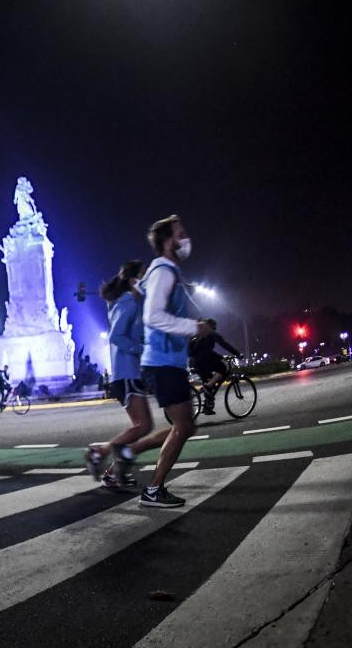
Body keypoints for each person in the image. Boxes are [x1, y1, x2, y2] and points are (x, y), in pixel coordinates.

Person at [111, 215, 210, 509]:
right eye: (182, 233)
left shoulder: (165, 272)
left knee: (186, 426)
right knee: (183, 426)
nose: (186, 238)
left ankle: (130, 453)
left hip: (166, 362)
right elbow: (153, 316)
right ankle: (153, 489)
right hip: (162, 362)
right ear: (169, 241)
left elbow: (152, 305)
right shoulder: (164, 271)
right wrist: (194, 328)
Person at [86, 260, 148, 489]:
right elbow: (116, 337)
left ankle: (110, 472)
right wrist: (142, 349)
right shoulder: (128, 302)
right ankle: (98, 454)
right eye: (143, 277)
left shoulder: (126, 302)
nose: (146, 282)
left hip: (126, 373)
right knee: (144, 427)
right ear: (134, 281)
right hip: (126, 373)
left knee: (137, 428)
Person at [189, 318, 243, 415]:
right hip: (202, 362)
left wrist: (220, 357)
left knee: (209, 381)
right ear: (211, 326)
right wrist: (237, 354)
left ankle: (207, 406)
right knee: (222, 368)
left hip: (195, 363)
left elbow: (202, 351)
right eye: (214, 327)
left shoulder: (199, 335)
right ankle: (208, 388)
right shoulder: (212, 333)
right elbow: (224, 345)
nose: (215, 329)